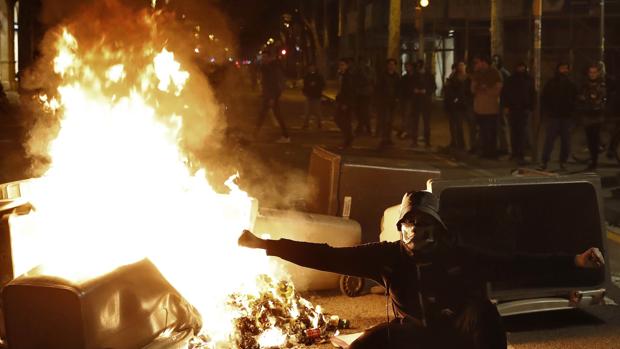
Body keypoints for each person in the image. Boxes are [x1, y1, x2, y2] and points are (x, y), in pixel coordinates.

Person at [238, 190, 604, 349]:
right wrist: (266, 245)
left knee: (484, 313)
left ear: (438, 227)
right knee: (365, 346)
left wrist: (573, 260)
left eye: (425, 222)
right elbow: (326, 255)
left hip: (459, 337)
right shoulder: (387, 256)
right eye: (409, 223)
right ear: (401, 227)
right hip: (414, 335)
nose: (417, 230)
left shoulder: (461, 255)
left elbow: (517, 263)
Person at [540, 62, 578, 170]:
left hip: (566, 116)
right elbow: (545, 98)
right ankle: (544, 161)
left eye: (566, 68)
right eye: (562, 68)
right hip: (554, 116)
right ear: (558, 69)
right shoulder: (551, 83)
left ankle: (563, 161)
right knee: (549, 140)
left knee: (566, 141)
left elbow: (575, 98)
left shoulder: (571, 84)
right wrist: (548, 111)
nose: (564, 70)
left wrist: (572, 111)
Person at [501, 62, 536, 165]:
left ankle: (520, 153)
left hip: (524, 109)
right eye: (519, 67)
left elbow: (532, 94)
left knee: (522, 132)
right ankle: (515, 153)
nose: (521, 69)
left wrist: (531, 107)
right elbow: (505, 93)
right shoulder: (510, 80)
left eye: (522, 67)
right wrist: (506, 106)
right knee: (514, 132)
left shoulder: (528, 79)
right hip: (513, 109)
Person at [254, 51, 290, 143]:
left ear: (270, 58)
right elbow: (265, 82)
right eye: (263, 57)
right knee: (262, 115)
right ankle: (254, 134)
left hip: (271, 96)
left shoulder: (272, 68)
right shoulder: (265, 67)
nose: (263, 59)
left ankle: (286, 136)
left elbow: (273, 84)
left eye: (265, 57)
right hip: (268, 95)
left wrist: (272, 98)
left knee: (276, 115)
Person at [471, 55, 503, 159]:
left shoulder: (494, 73)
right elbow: (473, 89)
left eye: (479, 62)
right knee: (483, 132)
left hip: (491, 109)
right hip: (479, 108)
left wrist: (486, 90)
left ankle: (491, 152)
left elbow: (498, 90)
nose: (478, 64)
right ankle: (485, 151)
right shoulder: (477, 74)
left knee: (491, 132)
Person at [578, 64, 607, 171]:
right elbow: (581, 97)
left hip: (597, 115)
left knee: (595, 139)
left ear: (598, 73)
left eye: (594, 72)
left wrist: (595, 101)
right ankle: (593, 159)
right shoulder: (585, 84)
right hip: (587, 115)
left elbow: (602, 98)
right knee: (590, 140)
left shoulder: (602, 84)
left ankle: (594, 161)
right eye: (590, 72)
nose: (592, 74)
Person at [443, 61, 471, 150]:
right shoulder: (453, 77)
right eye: (459, 66)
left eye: (462, 65)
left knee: (460, 125)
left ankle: (461, 144)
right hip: (454, 105)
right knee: (453, 125)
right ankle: (455, 142)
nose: (461, 67)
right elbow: (449, 90)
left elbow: (466, 92)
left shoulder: (468, 78)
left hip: (462, 105)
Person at [375, 59, 401, 148]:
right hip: (384, 101)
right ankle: (384, 138)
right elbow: (378, 88)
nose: (391, 66)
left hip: (393, 102)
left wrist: (397, 98)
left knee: (390, 121)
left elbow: (398, 88)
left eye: (393, 64)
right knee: (384, 120)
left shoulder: (396, 76)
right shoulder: (383, 76)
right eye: (390, 64)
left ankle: (388, 138)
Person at [410, 60, 436, 148]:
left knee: (426, 122)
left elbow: (434, 86)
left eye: (420, 66)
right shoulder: (414, 75)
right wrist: (414, 90)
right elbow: (410, 86)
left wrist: (426, 91)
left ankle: (427, 141)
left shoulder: (429, 75)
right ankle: (414, 141)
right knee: (415, 122)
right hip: (417, 101)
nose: (420, 68)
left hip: (425, 101)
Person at [335, 58, 356, 149]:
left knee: (343, 121)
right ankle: (348, 138)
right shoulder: (341, 75)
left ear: (347, 66)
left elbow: (350, 91)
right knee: (340, 120)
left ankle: (348, 139)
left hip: (346, 102)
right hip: (342, 101)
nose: (341, 67)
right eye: (340, 65)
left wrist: (346, 103)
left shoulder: (348, 76)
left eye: (343, 65)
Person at [492, 54, 511, 156]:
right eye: (493, 60)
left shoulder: (504, 73)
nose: (495, 62)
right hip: (495, 101)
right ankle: (500, 146)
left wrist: (506, 104)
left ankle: (505, 147)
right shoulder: (494, 72)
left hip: (502, 102)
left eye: (496, 60)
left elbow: (507, 89)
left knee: (502, 125)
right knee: (497, 125)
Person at [354, 57, 375, 136]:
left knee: (365, 111)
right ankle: (363, 127)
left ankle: (364, 128)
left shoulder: (369, 71)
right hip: (359, 93)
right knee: (360, 111)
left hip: (366, 94)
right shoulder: (358, 70)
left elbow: (369, 79)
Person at [302, 64, 325, 130]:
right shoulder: (307, 76)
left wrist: (316, 86)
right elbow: (305, 85)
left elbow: (322, 85)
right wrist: (304, 91)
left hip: (316, 95)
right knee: (307, 111)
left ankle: (319, 123)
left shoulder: (319, 76)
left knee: (317, 110)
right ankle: (305, 124)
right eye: (310, 67)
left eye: (313, 67)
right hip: (309, 95)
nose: (311, 68)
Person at [398, 62, 416, 140]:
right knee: (406, 115)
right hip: (406, 98)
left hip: (413, 98)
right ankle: (406, 131)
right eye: (406, 66)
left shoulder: (415, 77)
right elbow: (401, 88)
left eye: (408, 66)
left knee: (410, 115)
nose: (407, 68)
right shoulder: (404, 77)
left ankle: (409, 131)